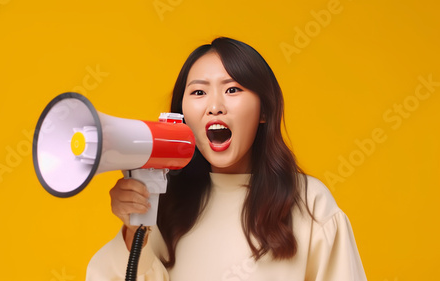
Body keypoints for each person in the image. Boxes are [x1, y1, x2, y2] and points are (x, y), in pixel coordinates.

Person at [86, 37, 367, 281]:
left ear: (264, 111)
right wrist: (132, 231)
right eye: (198, 92)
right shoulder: (165, 203)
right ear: (182, 116)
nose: (215, 107)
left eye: (232, 89)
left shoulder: (310, 203)